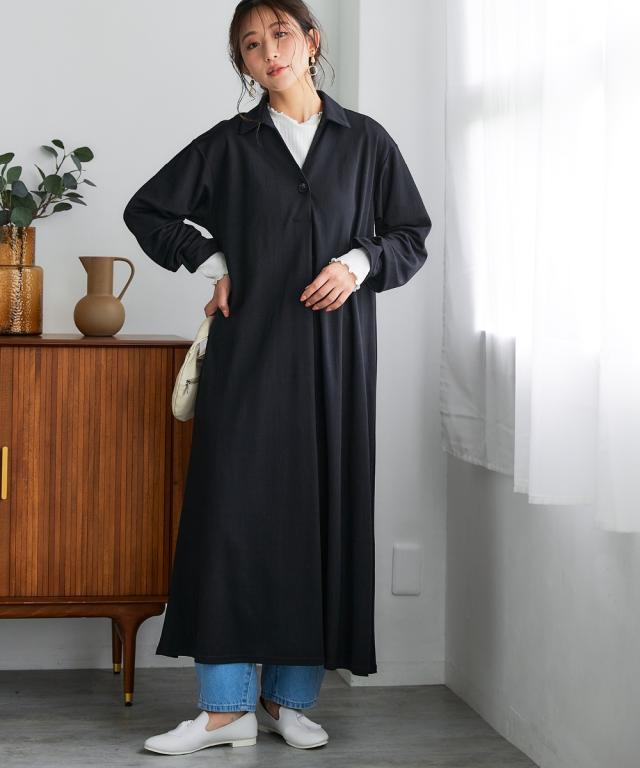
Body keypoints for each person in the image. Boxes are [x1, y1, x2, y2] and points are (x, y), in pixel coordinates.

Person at [122, 0, 432, 756]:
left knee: (318, 517)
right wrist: (212, 259)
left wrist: (358, 263)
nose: (269, 52)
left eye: (281, 34)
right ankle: (223, 710)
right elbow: (147, 210)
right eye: (251, 44)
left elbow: (410, 234)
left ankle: (287, 702)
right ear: (244, 63)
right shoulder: (229, 145)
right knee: (229, 519)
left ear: (311, 41)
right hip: (250, 358)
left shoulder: (367, 142)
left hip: (335, 363)